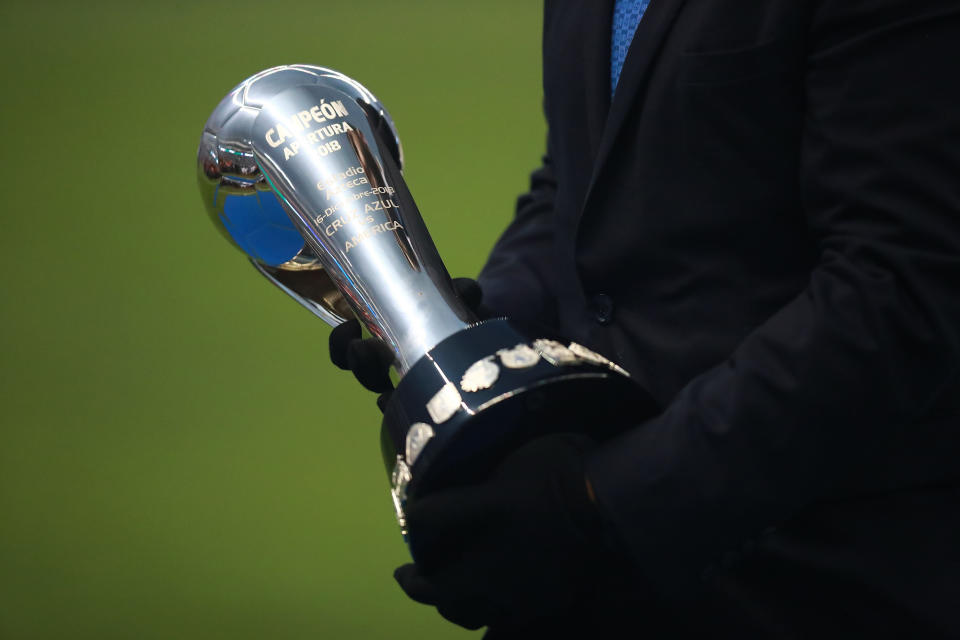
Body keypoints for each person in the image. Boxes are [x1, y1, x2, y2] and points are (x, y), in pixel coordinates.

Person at [331, 0, 960, 636]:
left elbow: (900, 284)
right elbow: (578, 183)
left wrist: (603, 504)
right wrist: (472, 334)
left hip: (817, 579)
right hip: (580, 578)